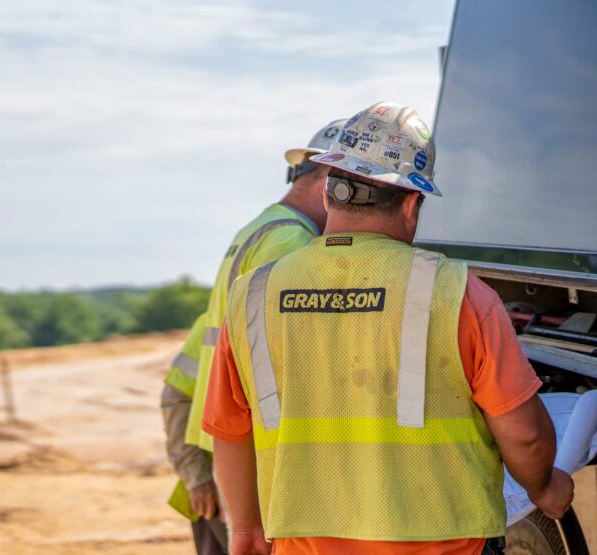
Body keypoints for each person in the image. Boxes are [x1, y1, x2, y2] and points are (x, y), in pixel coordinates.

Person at [202, 102, 574, 555]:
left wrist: (244, 529)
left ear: (328, 193)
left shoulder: (254, 295)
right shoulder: (458, 293)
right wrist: (544, 488)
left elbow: (229, 430)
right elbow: (526, 434)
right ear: (413, 203)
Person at [161, 118, 347, 554]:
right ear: (326, 180)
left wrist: (196, 469)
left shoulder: (258, 230)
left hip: (223, 454)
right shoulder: (294, 246)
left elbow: (186, 374)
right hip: (254, 468)